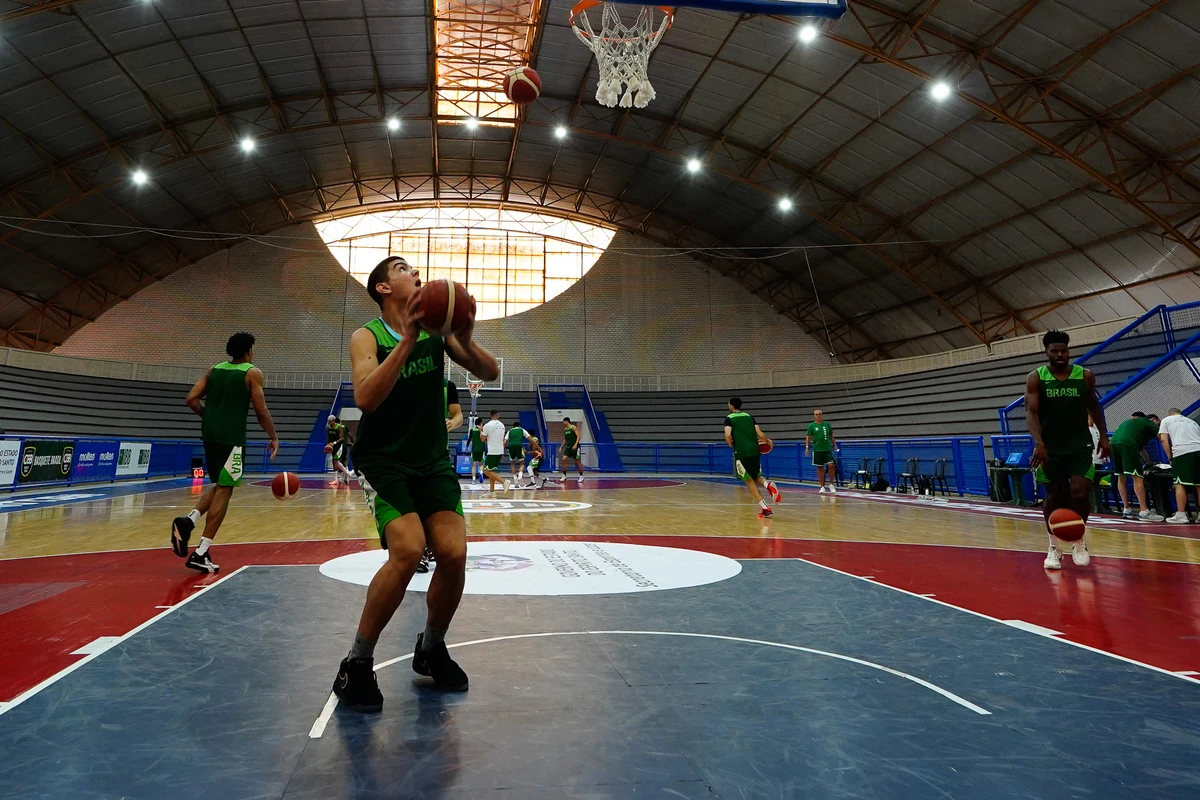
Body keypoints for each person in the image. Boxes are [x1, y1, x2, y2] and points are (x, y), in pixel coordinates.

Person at [332, 256, 499, 713]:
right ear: (384, 288)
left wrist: (460, 337)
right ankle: (357, 664)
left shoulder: (435, 333)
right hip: (384, 462)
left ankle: (430, 648)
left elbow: (489, 372)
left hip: (431, 462)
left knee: (454, 554)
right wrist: (407, 341)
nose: (416, 275)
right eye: (404, 269)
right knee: (407, 551)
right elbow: (365, 398)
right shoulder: (367, 336)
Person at [171, 332, 279, 574]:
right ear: (249, 350)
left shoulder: (214, 370)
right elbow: (261, 411)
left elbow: (191, 399)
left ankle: (189, 520)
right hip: (232, 438)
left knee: (221, 484)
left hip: (210, 436)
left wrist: (209, 417)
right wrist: (273, 437)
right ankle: (201, 552)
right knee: (226, 489)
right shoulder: (252, 372)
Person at [1025, 330, 1109, 570]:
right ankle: (1054, 546)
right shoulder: (1036, 377)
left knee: (1081, 492)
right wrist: (1039, 443)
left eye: (1064, 350)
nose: (1060, 355)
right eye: (1055, 351)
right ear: (1047, 352)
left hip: (1080, 444)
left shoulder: (1085, 376)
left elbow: (1094, 405)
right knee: (1055, 496)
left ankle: (1078, 538)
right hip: (1050, 447)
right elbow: (1031, 412)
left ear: (1068, 351)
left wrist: (1104, 437)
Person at [724, 397, 782, 519]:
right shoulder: (749, 416)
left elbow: (728, 435)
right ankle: (768, 485)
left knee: (749, 481)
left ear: (731, 406)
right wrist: (767, 441)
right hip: (755, 451)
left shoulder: (729, 419)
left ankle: (765, 507)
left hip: (742, 452)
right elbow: (760, 434)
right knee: (756, 476)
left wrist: (730, 443)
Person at [1108, 412, 1164, 521]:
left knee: (1121, 476)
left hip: (1114, 443)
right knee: (1137, 477)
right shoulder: (1149, 422)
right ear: (1154, 420)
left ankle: (1126, 509)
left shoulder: (1130, 424)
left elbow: (1141, 449)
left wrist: (1149, 462)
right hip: (1127, 444)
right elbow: (1161, 438)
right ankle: (1144, 512)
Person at [1158, 409, 1200, 524]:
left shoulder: (1166, 420)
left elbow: (1163, 440)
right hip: (1198, 450)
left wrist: (1170, 458)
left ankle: (1181, 515)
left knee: (1179, 483)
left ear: (1170, 413)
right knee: (1198, 484)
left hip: (1182, 452)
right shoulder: (1192, 422)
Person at [805, 409, 839, 494]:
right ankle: (822, 486)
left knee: (831, 465)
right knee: (819, 467)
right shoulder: (811, 426)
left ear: (822, 415)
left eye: (819, 414)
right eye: (816, 414)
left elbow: (831, 435)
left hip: (827, 449)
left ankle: (831, 484)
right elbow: (808, 437)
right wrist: (807, 447)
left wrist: (834, 444)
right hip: (817, 449)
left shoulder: (827, 424)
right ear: (814, 416)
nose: (818, 416)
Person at [480, 410, 510, 493]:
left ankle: (504, 482)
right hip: (500, 451)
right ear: (497, 415)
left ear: (491, 415)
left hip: (492, 451)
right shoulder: (502, 425)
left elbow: (482, 439)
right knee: (491, 471)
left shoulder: (488, 425)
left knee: (486, 471)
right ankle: (492, 491)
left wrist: (480, 431)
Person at [327, 415, 354, 486]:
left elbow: (343, 437)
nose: (329, 423)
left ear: (334, 421)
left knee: (336, 460)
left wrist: (352, 442)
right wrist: (328, 445)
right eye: (329, 421)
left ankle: (344, 475)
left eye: (330, 421)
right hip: (337, 445)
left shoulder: (339, 427)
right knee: (341, 460)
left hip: (341, 445)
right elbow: (350, 435)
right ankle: (346, 475)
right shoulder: (329, 427)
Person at [558, 417, 585, 482]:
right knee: (564, 459)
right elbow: (565, 439)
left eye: (564, 421)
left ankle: (581, 476)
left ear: (567, 421)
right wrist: (561, 446)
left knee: (577, 461)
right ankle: (564, 475)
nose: (563, 423)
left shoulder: (573, 427)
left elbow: (578, 436)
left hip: (575, 447)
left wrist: (575, 444)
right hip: (568, 447)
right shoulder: (565, 429)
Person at [506, 420, 530, 485]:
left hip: (511, 446)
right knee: (522, 463)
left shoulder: (509, 431)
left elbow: (504, 442)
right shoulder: (522, 430)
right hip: (519, 446)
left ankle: (515, 480)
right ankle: (520, 475)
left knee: (512, 463)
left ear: (513, 426)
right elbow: (530, 439)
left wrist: (503, 450)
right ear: (519, 426)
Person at [468, 419, 485, 483]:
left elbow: (469, 439)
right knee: (481, 464)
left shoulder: (472, 430)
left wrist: (467, 446)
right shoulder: (483, 430)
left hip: (474, 449)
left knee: (474, 465)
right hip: (481, 449)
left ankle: (474, 479)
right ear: (480, 423)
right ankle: (481, 472)